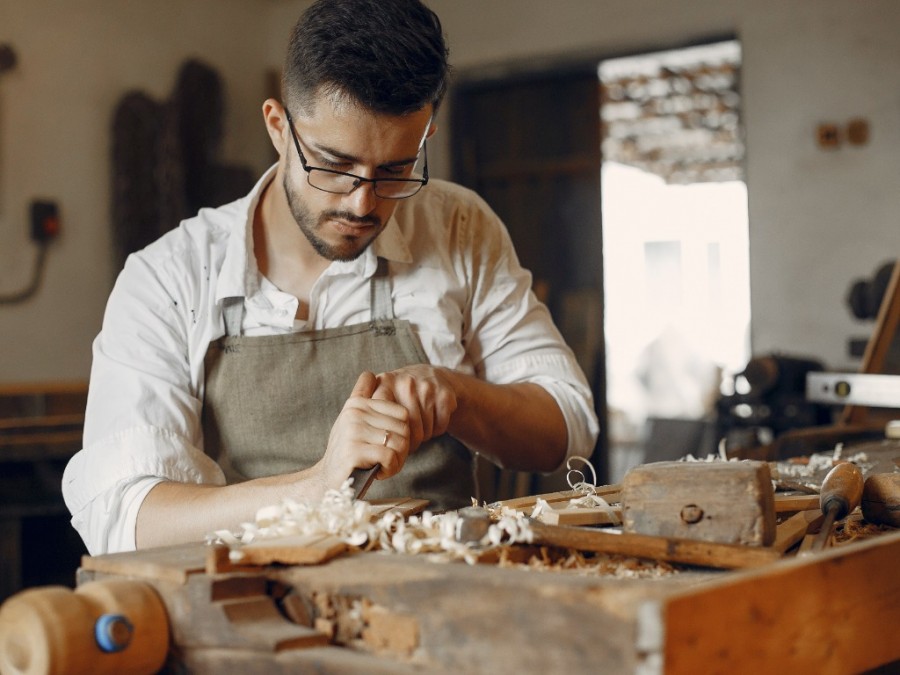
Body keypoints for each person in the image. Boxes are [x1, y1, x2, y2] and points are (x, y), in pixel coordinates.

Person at [63, 0, 599, 555]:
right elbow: (122, 517)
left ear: (425, 135)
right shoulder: (170, 279)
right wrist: (317, 488)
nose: (363, 203)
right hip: (253, 618)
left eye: (395, 170)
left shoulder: (459, 227)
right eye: (335, 165)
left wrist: (458, 396)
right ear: (278, 127)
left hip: (444, 600)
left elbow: (567, 427)